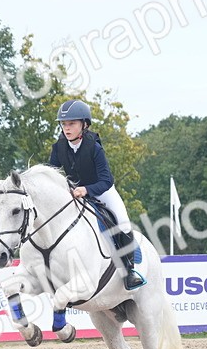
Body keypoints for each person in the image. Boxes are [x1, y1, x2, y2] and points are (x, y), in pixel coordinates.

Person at [48, 99, 145, 290]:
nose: (67, 128)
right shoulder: (58, 148)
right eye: (64, 124)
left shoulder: (94, 147)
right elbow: (52, 176)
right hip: (73, 194)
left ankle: (129, 271)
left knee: (123, 222)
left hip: (101, 192)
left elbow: (106, 180)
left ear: (84, 125)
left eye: (72, 124)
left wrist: (87, 190)